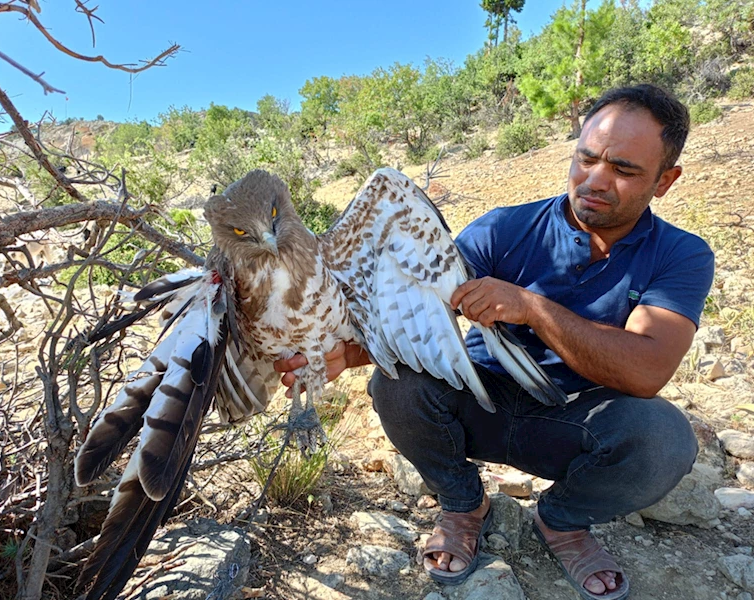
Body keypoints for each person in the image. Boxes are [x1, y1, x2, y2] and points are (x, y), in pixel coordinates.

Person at [275, 84, 714, 600]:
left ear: (665, 181)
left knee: (664, 439)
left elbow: (646, 370)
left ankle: (562, 521)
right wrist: (346, 352)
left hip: (575, 420)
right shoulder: (504, 227)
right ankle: (463, 506)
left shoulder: (682, 255)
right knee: (397, 385)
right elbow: (419, 312)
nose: (595, 179)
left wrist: (530, 306)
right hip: (480, 401)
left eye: (623, 169)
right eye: (586, 157)